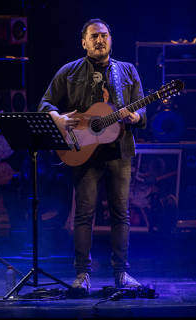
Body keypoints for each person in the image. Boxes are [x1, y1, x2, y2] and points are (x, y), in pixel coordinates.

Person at [37, 18, 147, 292]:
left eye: (105, 35)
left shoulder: (128, 71)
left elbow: (143, 111)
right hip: (82, 151)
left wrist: (135, 115)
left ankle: (122, 274)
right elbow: (45, 103)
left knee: (121, 213)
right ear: (84, 42)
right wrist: (58, 119)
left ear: (111, 39)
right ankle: (82, 275)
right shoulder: (69, 72)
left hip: (119, 151)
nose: (100, 40)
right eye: (94, 36)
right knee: (84, 214)